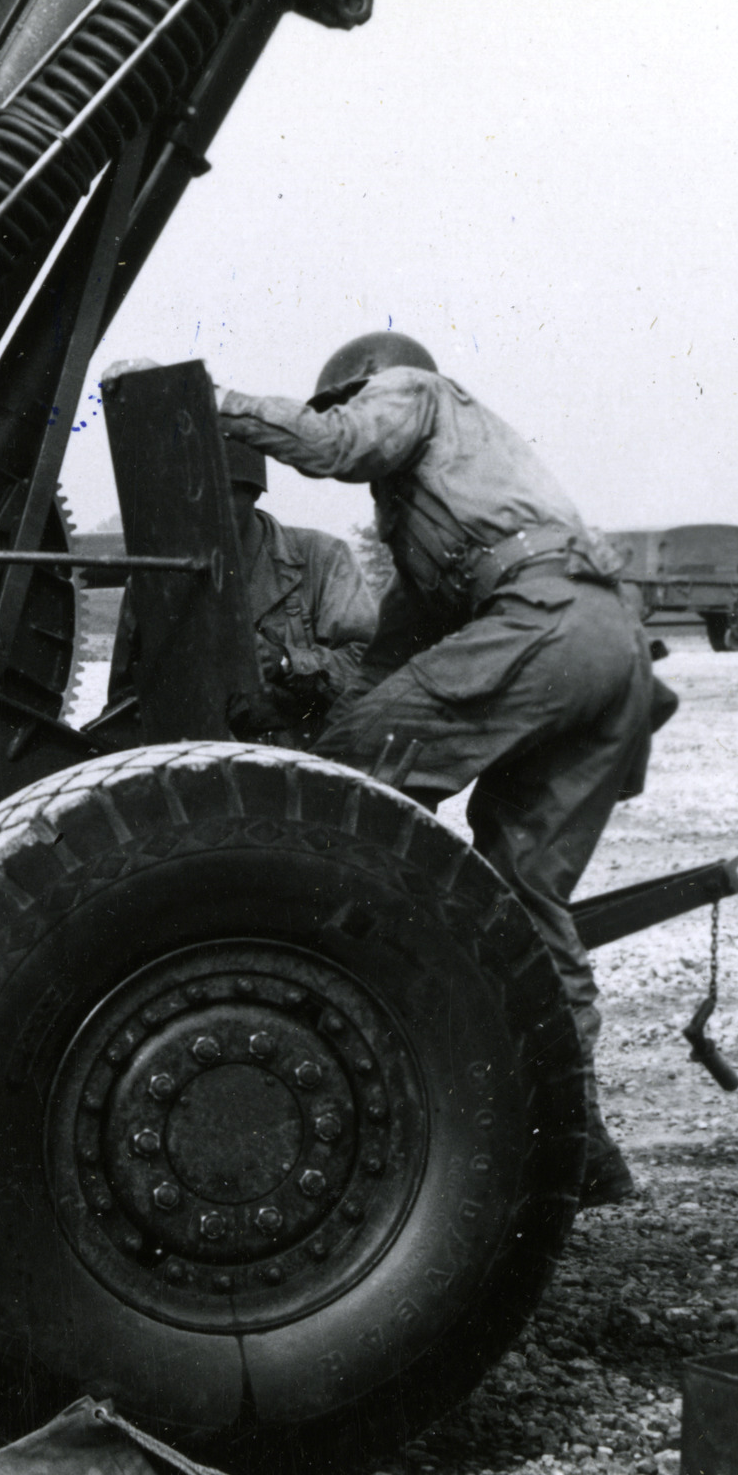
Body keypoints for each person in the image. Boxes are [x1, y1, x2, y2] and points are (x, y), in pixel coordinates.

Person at [209, 333, 675, 1209]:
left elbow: (334, 445)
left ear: (363, 387)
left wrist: (217, 401)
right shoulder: (437, 523)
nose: (344, 420)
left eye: (343, 403)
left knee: (338, 795)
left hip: (544, 621)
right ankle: (580, 1141)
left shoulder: (414, 391)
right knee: (526, 896)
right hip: (610, 645)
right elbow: (385, 668)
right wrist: (295, 719)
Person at [223, 431, 382, 738]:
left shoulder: (322, 559)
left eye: (225, 491)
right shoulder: (156, 578)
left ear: (253, 492)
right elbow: (125, 702)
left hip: (308, 764)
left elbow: (369, 668)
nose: (207, 507)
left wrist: (284, 661)